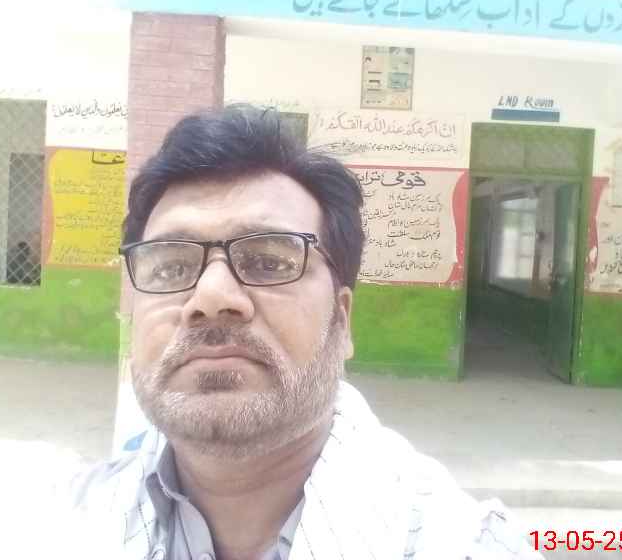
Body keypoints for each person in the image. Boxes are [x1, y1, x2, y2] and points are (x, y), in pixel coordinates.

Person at [69, 105, 541, 560]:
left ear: (342, 319)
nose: (211, 296)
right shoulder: (56, 524)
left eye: (268, 262)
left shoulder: (459, 543)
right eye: (171, 267)